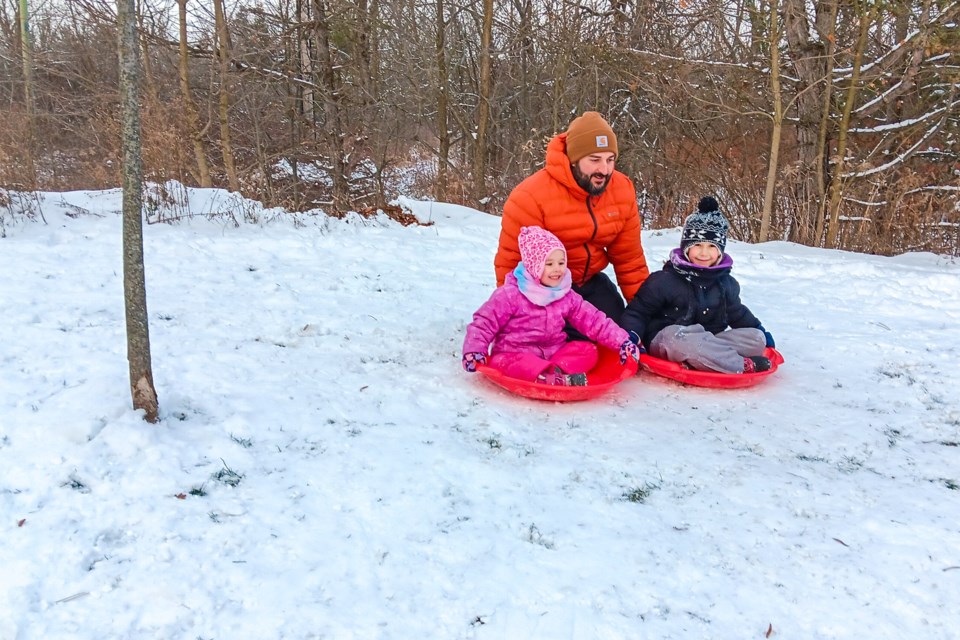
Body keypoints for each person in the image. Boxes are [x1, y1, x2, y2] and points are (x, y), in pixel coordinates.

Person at [493, 111, 649, 328]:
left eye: (610, 160)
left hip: (591, 283)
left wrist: (645, 314)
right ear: (574, 160)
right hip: (544, 290)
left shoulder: (622, 190)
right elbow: (510, 263)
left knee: (619, 330)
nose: (603, 170)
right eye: (594, 160)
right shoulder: (530, 197)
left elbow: (629, 260)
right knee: (556, 340)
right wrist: (511, 316)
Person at [463, 226, 640, 386]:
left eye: (561, 263)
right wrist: (474, 351)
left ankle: (554, 373)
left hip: (555, 353)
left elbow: (593, 319)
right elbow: (484, 323)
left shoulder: (565, 295)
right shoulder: (510, 294)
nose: (557, 269)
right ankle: (543, 374)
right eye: (549, 264)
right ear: (534, 266)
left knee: (588, 350)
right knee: (501, 362)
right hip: (516, 352)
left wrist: (623, 342)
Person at [620, 196, 776, 374]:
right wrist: (630, 337)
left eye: (711, 246)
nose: (704, 253)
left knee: (756, 339)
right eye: (697, 245)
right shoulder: (664, 280)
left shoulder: (726, 283)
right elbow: (638, 312)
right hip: (669, 341)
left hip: (709, 340)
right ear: (686, 247)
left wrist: (761, 331)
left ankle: (703, 360)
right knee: (679, 340)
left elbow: (737, 314)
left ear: (720, 251)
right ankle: (740, 365)